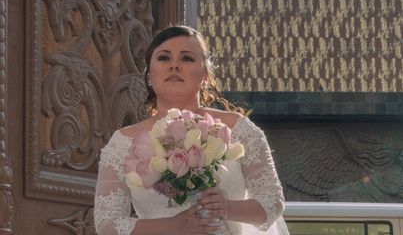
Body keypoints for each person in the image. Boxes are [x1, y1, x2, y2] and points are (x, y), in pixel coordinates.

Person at [94, 25, 288, 235]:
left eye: (186, 58)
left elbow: (272, 202)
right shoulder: (123, 141)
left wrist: (226, 207)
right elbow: (107, 224)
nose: (174, 65)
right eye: (163, 58)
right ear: (149, 75)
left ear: (205, 75)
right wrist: (175, 226)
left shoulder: (237, 128)